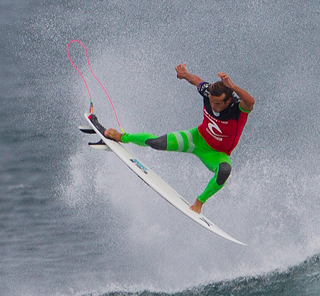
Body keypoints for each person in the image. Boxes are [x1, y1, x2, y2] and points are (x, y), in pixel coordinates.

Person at [92, 65, 254, 213]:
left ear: (228, 100)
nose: (213, 106)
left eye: (218, 103)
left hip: (215, 154)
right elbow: (197, 81)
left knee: (224, 171)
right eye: (211, 101)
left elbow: (250, 102)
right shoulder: (208, 92)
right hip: (196, 138)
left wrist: (232, 87)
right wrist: (184, 74)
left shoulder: (237, 109)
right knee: (157, 143)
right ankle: (121, 136)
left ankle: (199, 203)